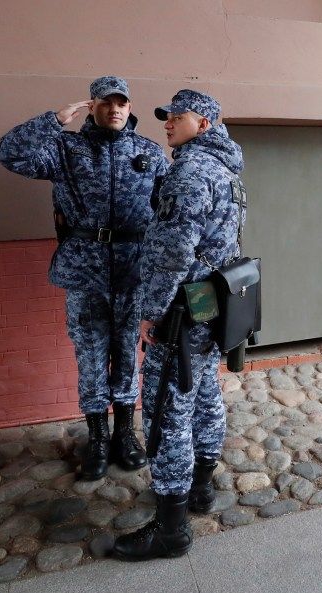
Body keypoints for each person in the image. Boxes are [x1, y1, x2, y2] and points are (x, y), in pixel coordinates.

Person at [0, 76, 169, 480]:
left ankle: (125, 433)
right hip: (84, 267)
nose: (115, 109)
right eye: (106, 102)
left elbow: (165, 209)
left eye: (121, 102)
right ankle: (99, 438)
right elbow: (8, 153)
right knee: (90, 356)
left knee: (127, 352)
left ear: (129, 106)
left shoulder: (148, 151)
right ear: (93, 106)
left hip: (132, 268)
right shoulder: (66, 148)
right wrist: (54, 120)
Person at [113, 89, 244, 561]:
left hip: (180, 309)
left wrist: (152, 310)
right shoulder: (227, 170)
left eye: (177, 116)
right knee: (204, 391)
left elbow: (172, 252)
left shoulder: (190, 172)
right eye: (166, 116)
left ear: (204, 123)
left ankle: (171, 528)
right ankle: (201, 488)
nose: (168, 122)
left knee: (167, 410)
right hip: (208, 305)